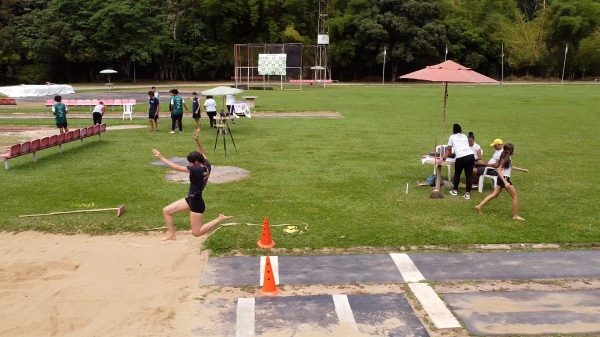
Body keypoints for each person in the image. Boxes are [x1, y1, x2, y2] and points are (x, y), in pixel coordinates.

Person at [152, 128, 233, 240]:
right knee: (166, 211)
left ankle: (219, 219)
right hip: (191, 199)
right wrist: (197, 141)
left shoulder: (196, 170)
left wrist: (161, 156)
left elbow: (175, 167)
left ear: (195, 162)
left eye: (190, 162)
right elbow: (202, 153)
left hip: (196, 203)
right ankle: (171, 235)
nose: (188, 164)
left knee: (196, 233)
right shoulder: (206, 164)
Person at [476, 143, 529, 220]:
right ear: (509, 150)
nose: (515, 150)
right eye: (513, 149)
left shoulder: (507, 157)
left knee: (495, 194)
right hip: (504, 178)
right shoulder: (506, 158)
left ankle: (479, 206)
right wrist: (505, 182)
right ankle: (515, 216)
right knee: (515, 196)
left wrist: (522, 170)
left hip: (502, 178)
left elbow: (510, 167)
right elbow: (499, 170)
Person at [443, 123, 476, 199]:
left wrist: (444, 158)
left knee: (457, 173)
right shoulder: (464, 136)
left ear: (453, 131)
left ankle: (455, 191)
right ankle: (467, 194)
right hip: (471, 156)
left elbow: (448, 149)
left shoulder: (452, 137)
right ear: (460, 130)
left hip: (461, 157)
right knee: (469, 175)